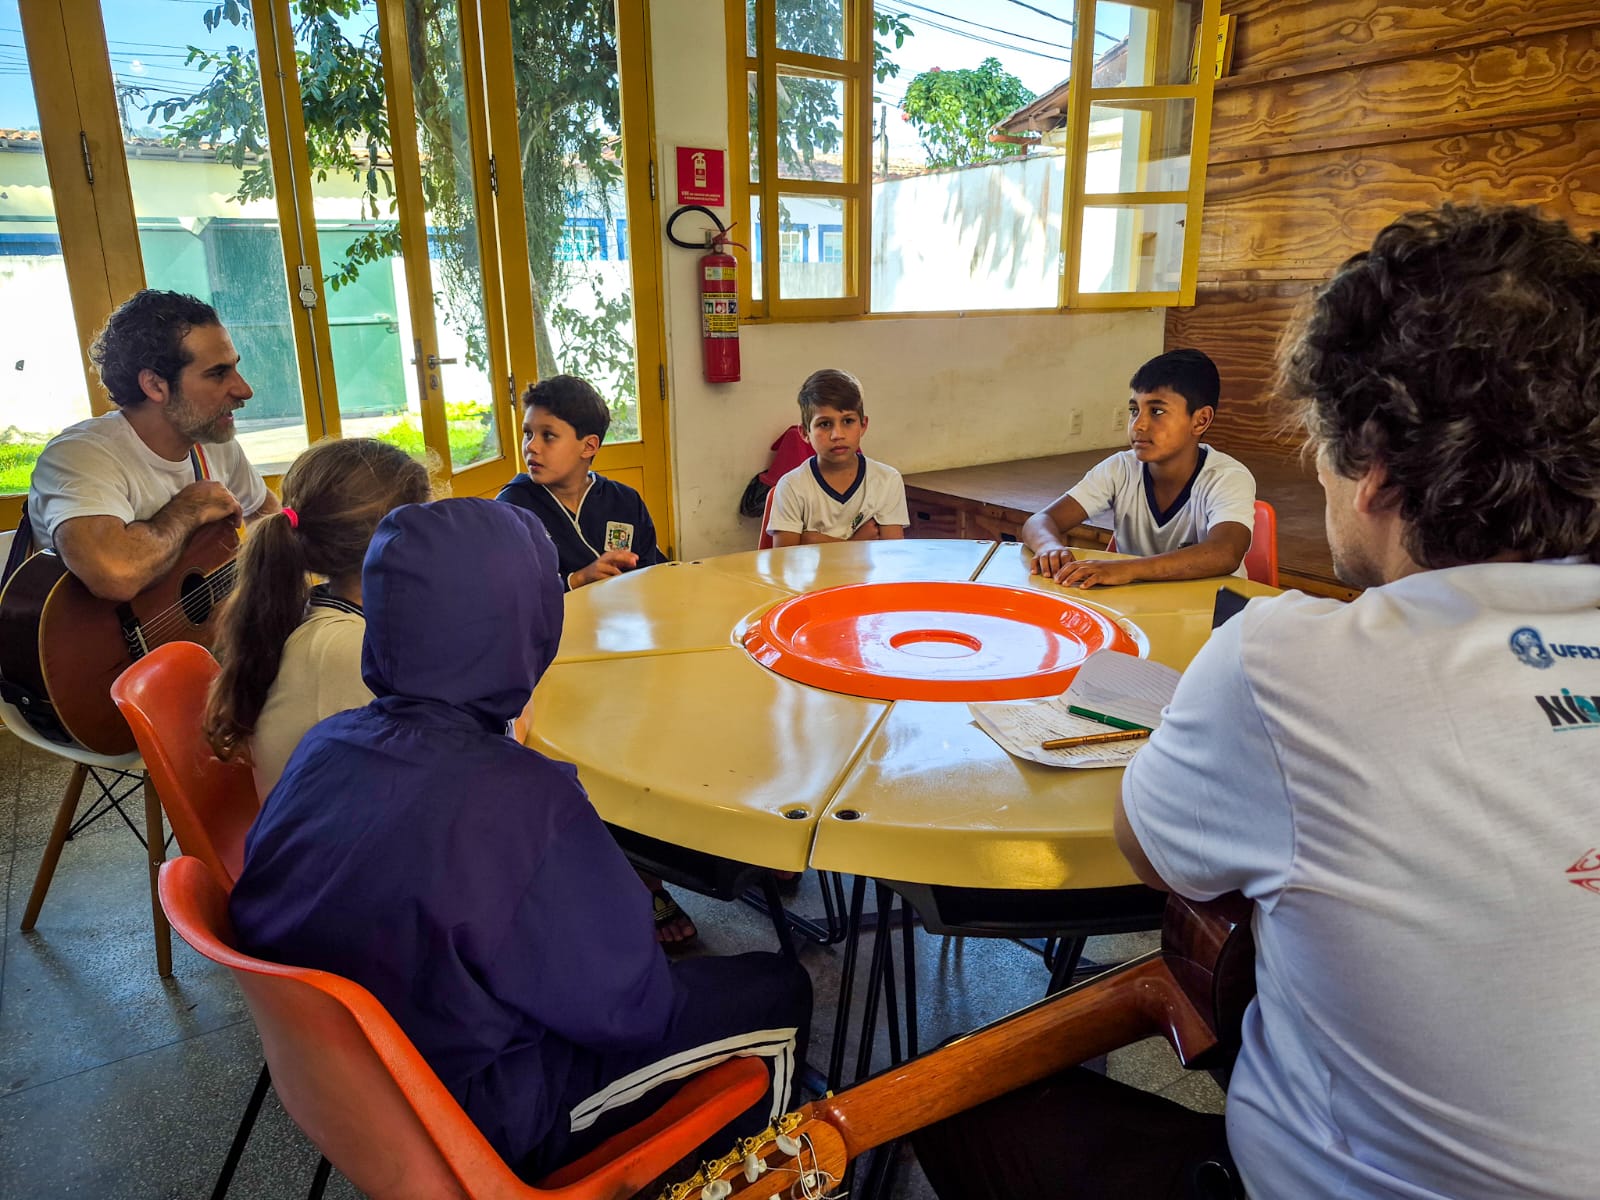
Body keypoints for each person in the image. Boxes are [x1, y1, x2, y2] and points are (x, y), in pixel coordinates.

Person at [913, 204, 1600, 1198]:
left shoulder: (1289, 663)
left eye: (1322, 440)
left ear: (1372, 470)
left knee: (953, 1095)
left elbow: (1150, 852)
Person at [228, 498, 813, 1179]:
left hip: (357, 1085)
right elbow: (632, 1009)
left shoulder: (326, 744)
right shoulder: (526, 800)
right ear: (531, 629)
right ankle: (750, 1182)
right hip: (488, 1120)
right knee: (776, 988)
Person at [202, 438, 431, 797]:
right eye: (430, 523)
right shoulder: (343, 649)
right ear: (398, 543)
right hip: (334, 828)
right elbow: (429, 770)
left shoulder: (321, 611)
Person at [20, 289, 280, 600]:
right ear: (155, 385)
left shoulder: (213, 441)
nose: (244, 390)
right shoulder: (79, 457)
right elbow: (115, 573)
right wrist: (191, 507)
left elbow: (265, 514)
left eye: (235, 367)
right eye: (218, 374)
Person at [1021, 349, 1255, 588]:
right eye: (1134, 410)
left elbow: (1226, 552)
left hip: (1211, 607)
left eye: (1157, 411)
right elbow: (1040, 520)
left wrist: (1128, 569)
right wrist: (1049, 547)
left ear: (1200, 420)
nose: (1138, 425)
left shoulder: (1227, 478)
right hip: (1139, 606)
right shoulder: (1120, 469)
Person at [496, 375, 665, 592]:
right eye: (528, 433)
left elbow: (652, 573)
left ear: (588, 447)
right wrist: (576, 580)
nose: (531, 446)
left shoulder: (625, 501)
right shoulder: (511, 508)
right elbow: (506, 590)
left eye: (548, 435)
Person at [766, 368, 908, 546]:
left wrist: (813, 540)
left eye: (848, 421)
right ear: (805, 433)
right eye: (825, 424)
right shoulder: (791, 486)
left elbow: (892, 554)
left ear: (863, 425)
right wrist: (856, 543)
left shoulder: (887, 480)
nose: (837, 435)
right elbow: (785, 559)